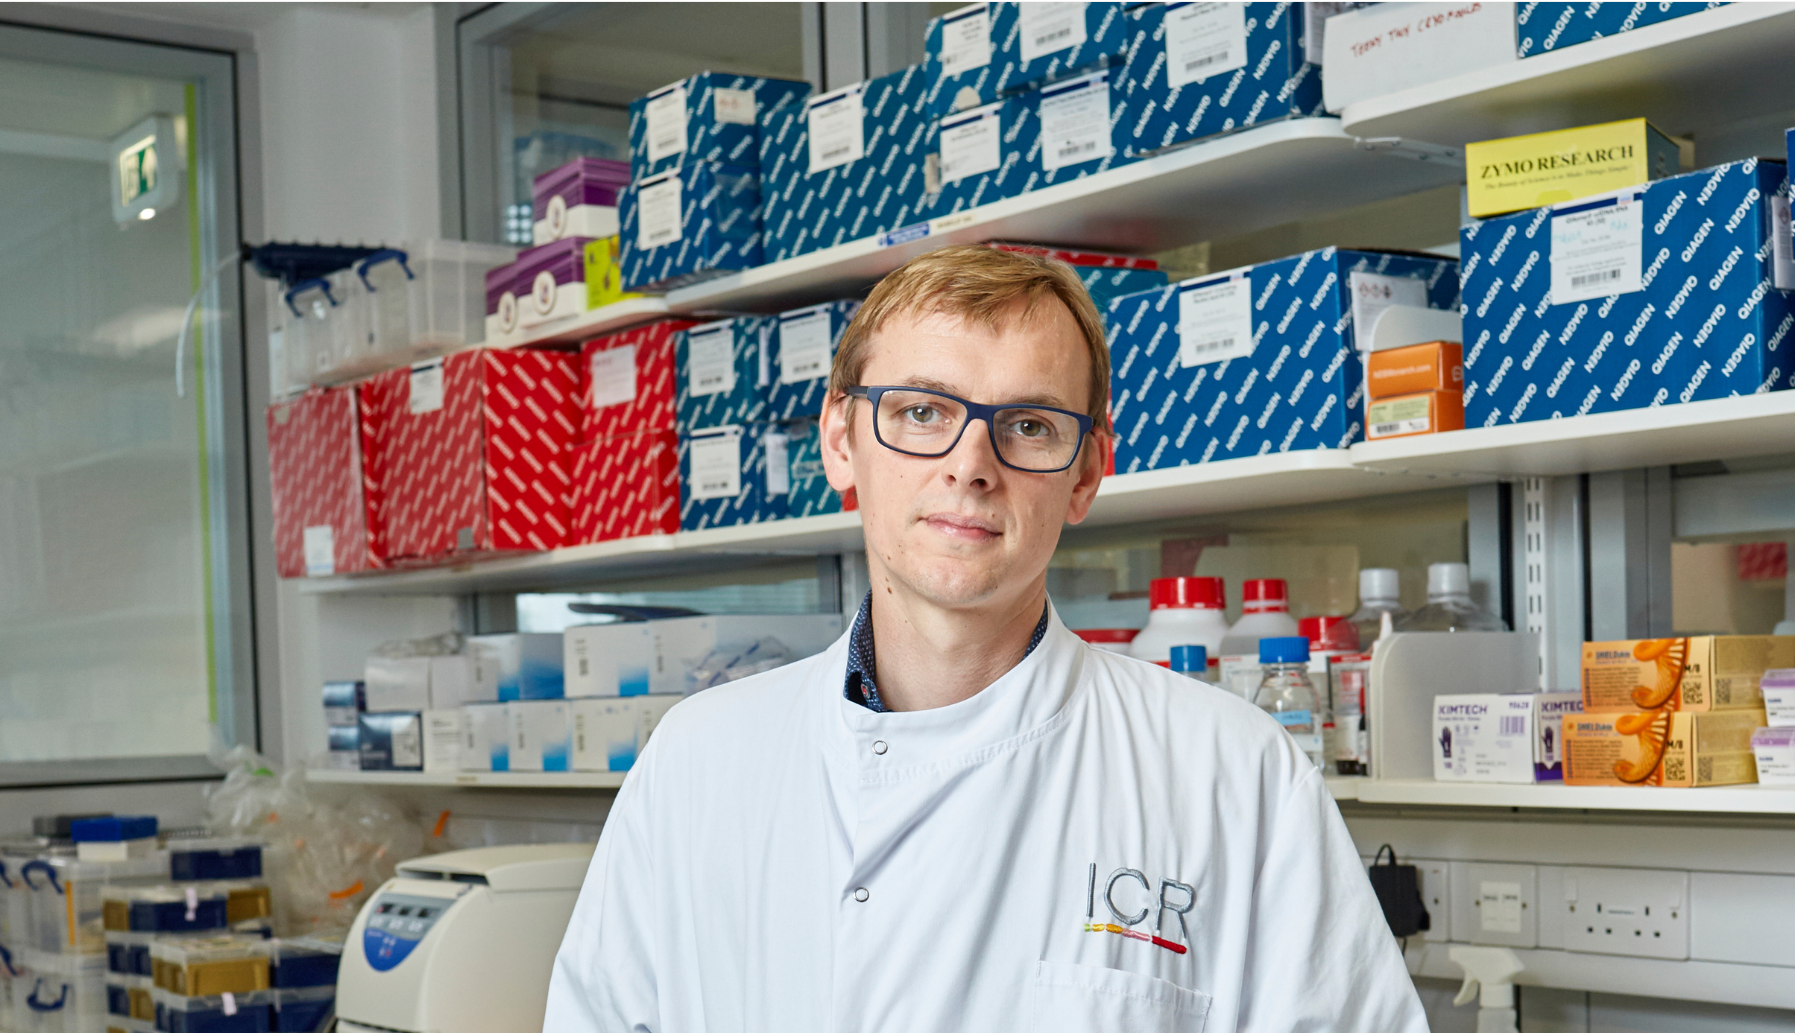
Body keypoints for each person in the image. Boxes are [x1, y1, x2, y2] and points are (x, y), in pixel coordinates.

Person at [545, 245, 1426, 1031]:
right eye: (923, 412)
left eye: (1030, 425)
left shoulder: (1231, 773)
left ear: (1086, 473)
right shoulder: (699, 760)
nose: (971, 464)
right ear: (839, 440)